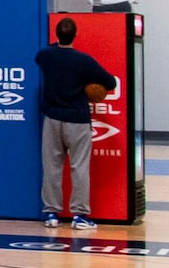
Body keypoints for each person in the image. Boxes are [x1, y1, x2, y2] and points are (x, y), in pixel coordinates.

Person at [35, 16, 119, 229]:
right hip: (77, 120)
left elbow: (42, 55)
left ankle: (51, 214)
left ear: (57, 35)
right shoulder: (84, 61)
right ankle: (79, 216)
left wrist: (58, 45)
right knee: (79, 167)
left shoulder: (46, 56)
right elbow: (109, 82)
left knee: (52, 167)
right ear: (76, 36)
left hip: (53, 119)